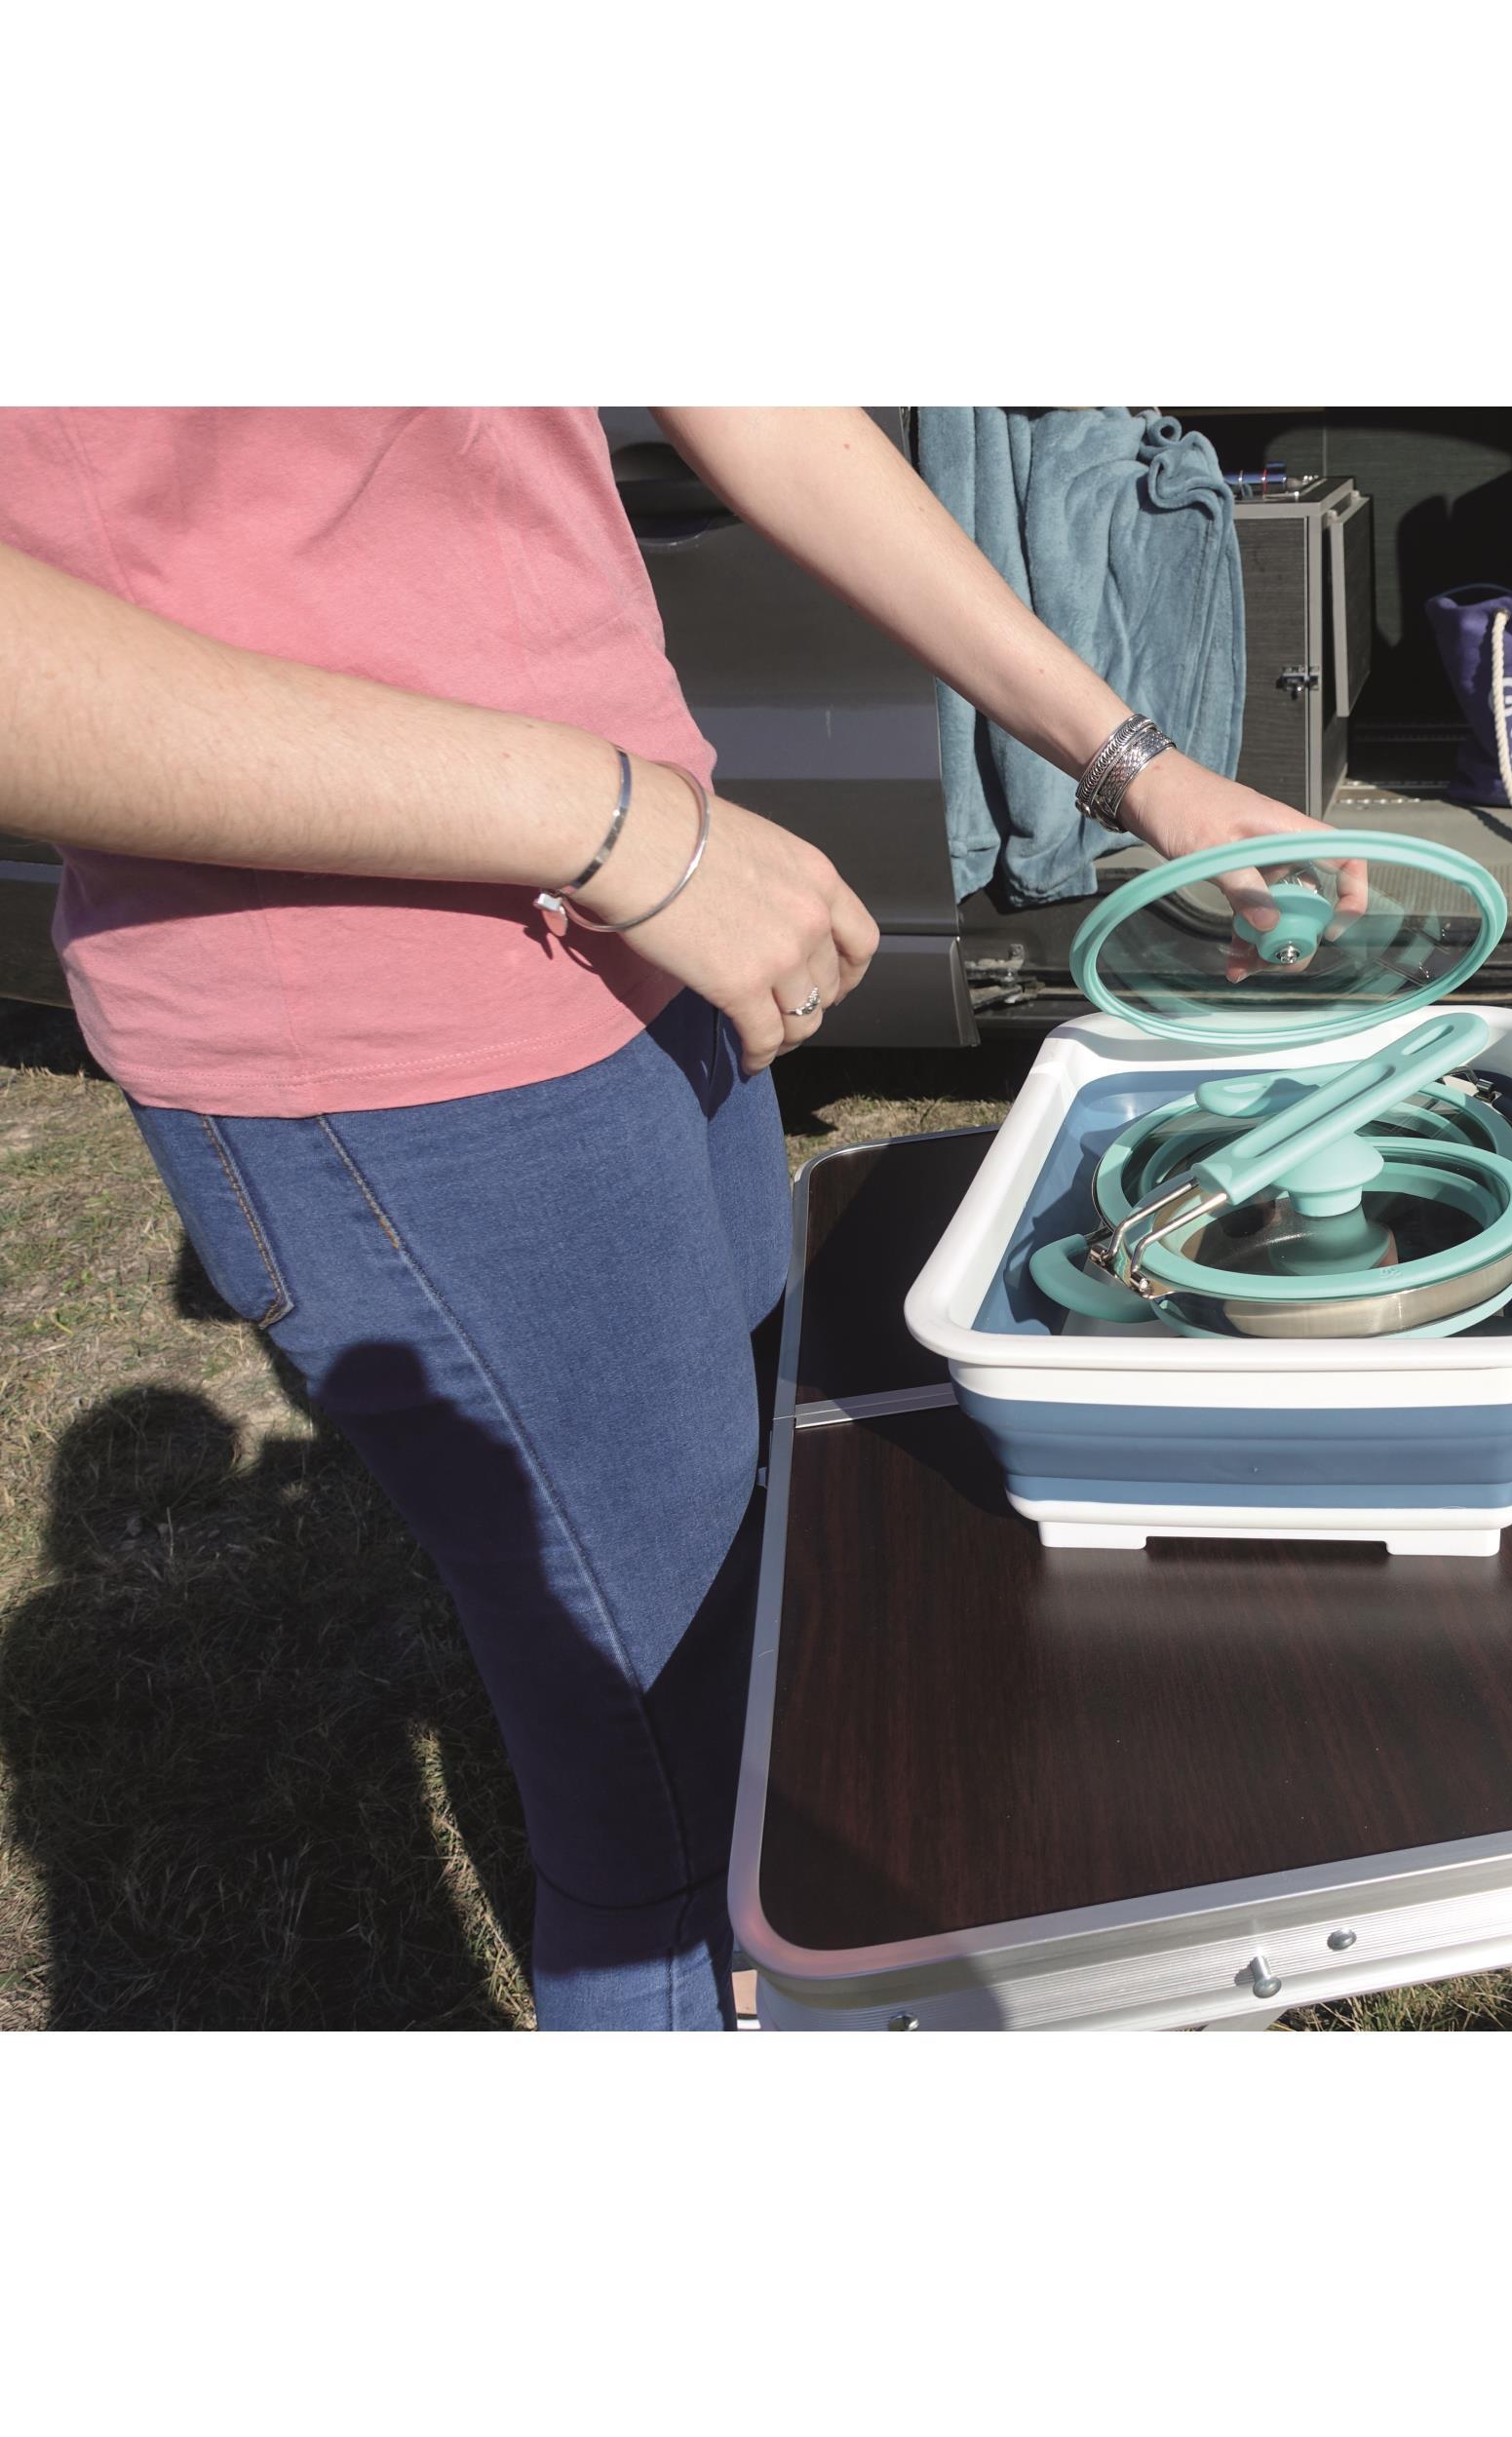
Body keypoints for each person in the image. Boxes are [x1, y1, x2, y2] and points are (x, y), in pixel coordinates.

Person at [0, 406, 1338, 2030]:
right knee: (668, 1790)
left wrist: (1136, 766)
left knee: (767, 1624)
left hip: (654, 933)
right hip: (399, 1033)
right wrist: (622, 826)